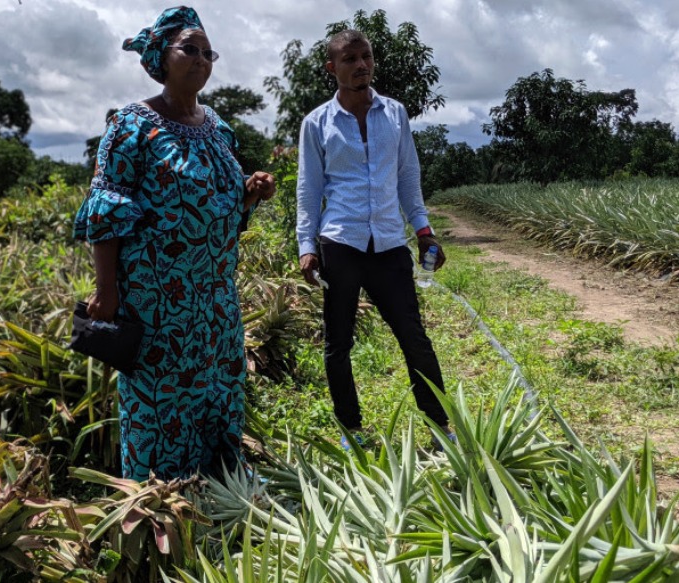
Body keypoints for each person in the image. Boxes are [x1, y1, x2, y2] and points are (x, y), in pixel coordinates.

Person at [73, 6, 275, 481]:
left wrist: (248, 192)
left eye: (209, 53)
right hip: (158, 302)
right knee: (161, 402)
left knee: (218, 390)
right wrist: (107, 291)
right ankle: (160, 502)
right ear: (160, 56)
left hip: (214, 299)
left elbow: (220, 209)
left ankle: (217, 488)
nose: (202, 59)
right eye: (190, 48)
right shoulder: (131, 125)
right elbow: (107, 208)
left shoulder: (217, 128)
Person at [295, 29, 452, 449]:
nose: (361, 65)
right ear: (332, 68)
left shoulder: (394, 113)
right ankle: (351, 431)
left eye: (366, 57)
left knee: (414, 337)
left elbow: (407, 177)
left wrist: (423, 232)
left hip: (388, 244)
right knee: (338, 342)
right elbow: (309, 189)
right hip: (340, 244)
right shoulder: (317, 123)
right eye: (350, 59)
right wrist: (307, 247)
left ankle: (440, 428)